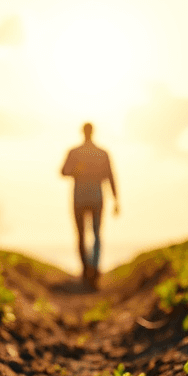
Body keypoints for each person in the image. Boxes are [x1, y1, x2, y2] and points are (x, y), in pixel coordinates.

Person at [61, 122, 118, 289]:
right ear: (92, 132)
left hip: (80, 198)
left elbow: (63, 171)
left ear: (83, 132)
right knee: (96, 234)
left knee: (82, 235)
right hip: (96, 198)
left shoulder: (74, 152)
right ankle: (92, 267)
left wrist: (74, 171)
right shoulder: (102, 153)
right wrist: (116, 199)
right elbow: (110, 176)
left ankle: (88, 269)